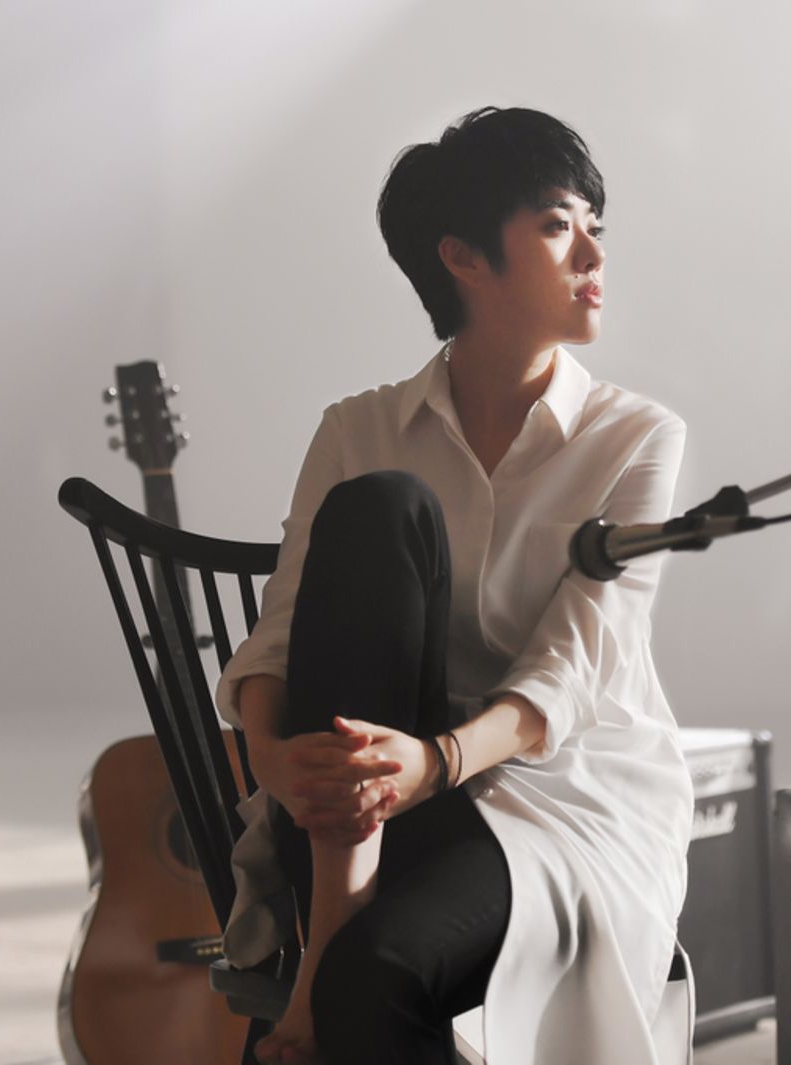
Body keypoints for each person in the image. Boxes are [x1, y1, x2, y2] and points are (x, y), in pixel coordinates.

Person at [215, 106, 695, 1065]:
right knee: (384, 505)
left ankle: (328, 963)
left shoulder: (636, 438)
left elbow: (569, 675)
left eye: (595, 225)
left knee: (371, 979)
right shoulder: (357, 429)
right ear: (464, 257)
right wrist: (273, 762)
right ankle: (333, 925)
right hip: (355, 794)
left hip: (551, 795)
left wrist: (429, 764)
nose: (594, 253)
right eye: (558, 225)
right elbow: (279, 643)